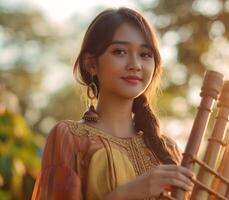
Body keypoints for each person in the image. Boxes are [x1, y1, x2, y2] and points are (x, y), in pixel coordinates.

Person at [31, 7, 195, 200]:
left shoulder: (168, 148)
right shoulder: (69, 137)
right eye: (120, 52)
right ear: (91, 64)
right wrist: (127, 193)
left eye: (145, 54)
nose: (135, 64)